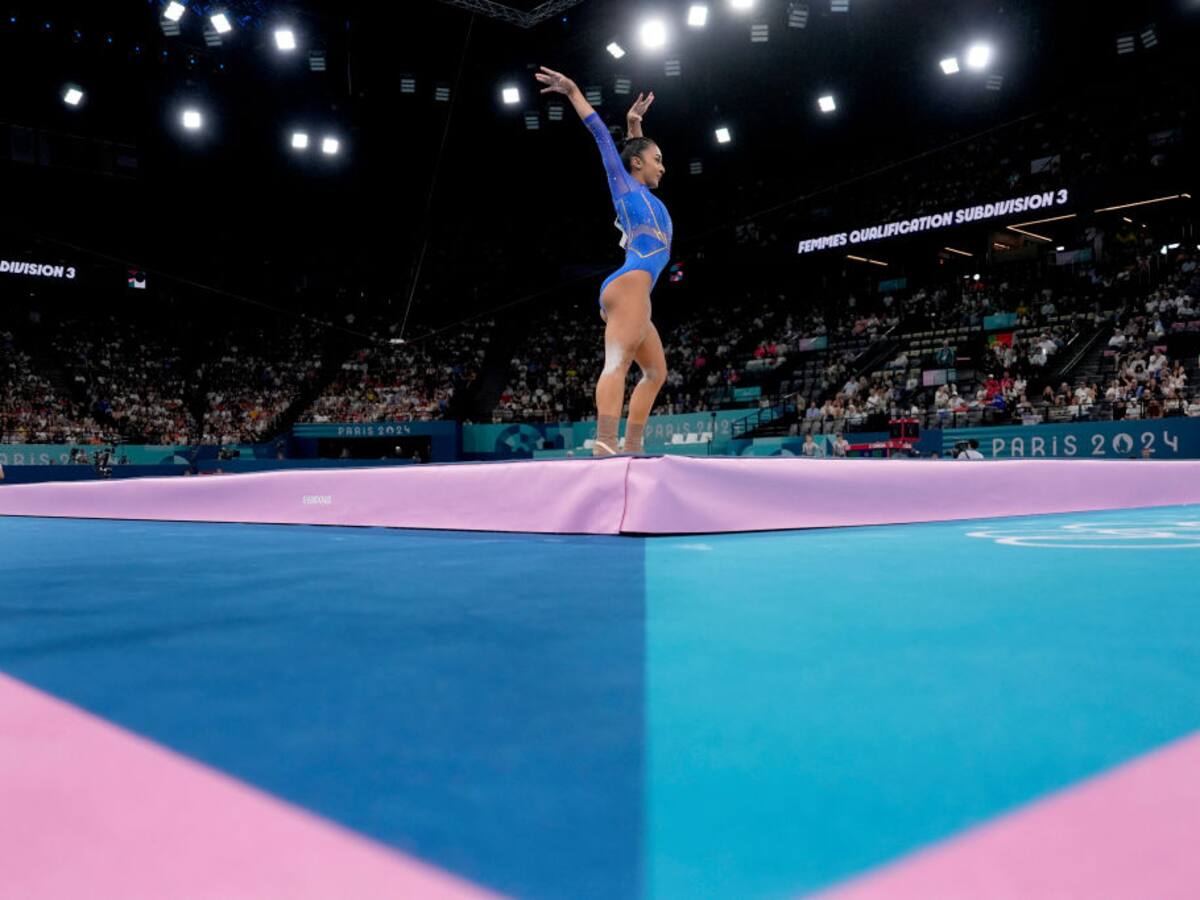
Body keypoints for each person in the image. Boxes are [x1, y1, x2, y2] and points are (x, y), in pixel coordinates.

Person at [536, 66, 672, 456]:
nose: (663, 166)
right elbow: (601, 136)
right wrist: (573, 89)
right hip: (630, 284)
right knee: (618, 362)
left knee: (655, 372)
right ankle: (605, 443)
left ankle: (631, 446)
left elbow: (634, 155)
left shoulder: (647, 194)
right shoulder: (624, 184)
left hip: (637, 294)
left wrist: (635, 126)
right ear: (637, 166)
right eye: (657, 159)